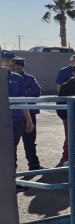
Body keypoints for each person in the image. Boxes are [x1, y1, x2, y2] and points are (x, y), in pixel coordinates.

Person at [2, 50, 33, 190]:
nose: (10, 63)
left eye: (12, 60)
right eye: (6, 60)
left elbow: (22, 101)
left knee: (11, 152)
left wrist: (28, 119)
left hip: (15, 121)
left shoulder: (18, 78)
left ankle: (10, 182)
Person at [13, 57, 42, 171]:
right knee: (11, 143)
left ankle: (33, 164)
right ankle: (11, 168)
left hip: (30, 113)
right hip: (13, 115)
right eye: (15, 65)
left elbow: (36, 92)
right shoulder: (7, 78)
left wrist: (21, 95)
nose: (16, 67)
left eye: (19, 65)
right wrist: (26, 93)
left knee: (30, 141)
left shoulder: (30, 78)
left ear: (23, 66)